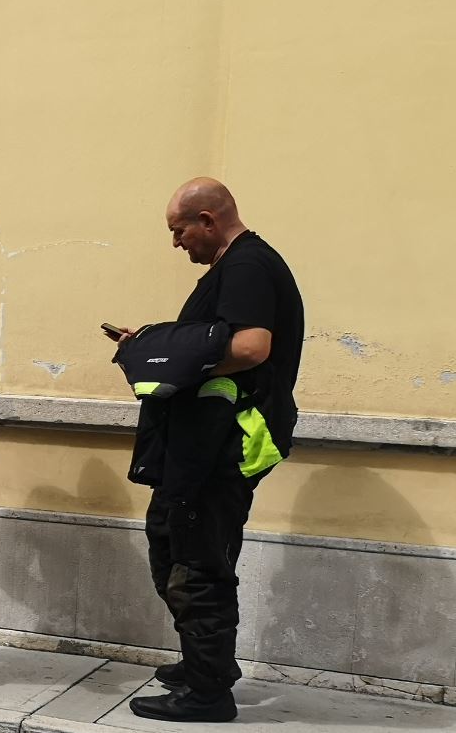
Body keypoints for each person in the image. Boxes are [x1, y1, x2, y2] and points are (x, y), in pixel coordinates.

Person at [111, 178, 302, 723]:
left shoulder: (246, 267)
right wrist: (152, 343)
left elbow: (251, 346)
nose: (176, 243)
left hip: (222, 445)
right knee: (175, 547)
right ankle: (208, 662)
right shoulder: (235, 267)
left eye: (179, 231)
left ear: (208, 220)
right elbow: (211, 339)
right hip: (201, 445)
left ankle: (207, 693)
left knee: (196, 564)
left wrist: (171, 357)